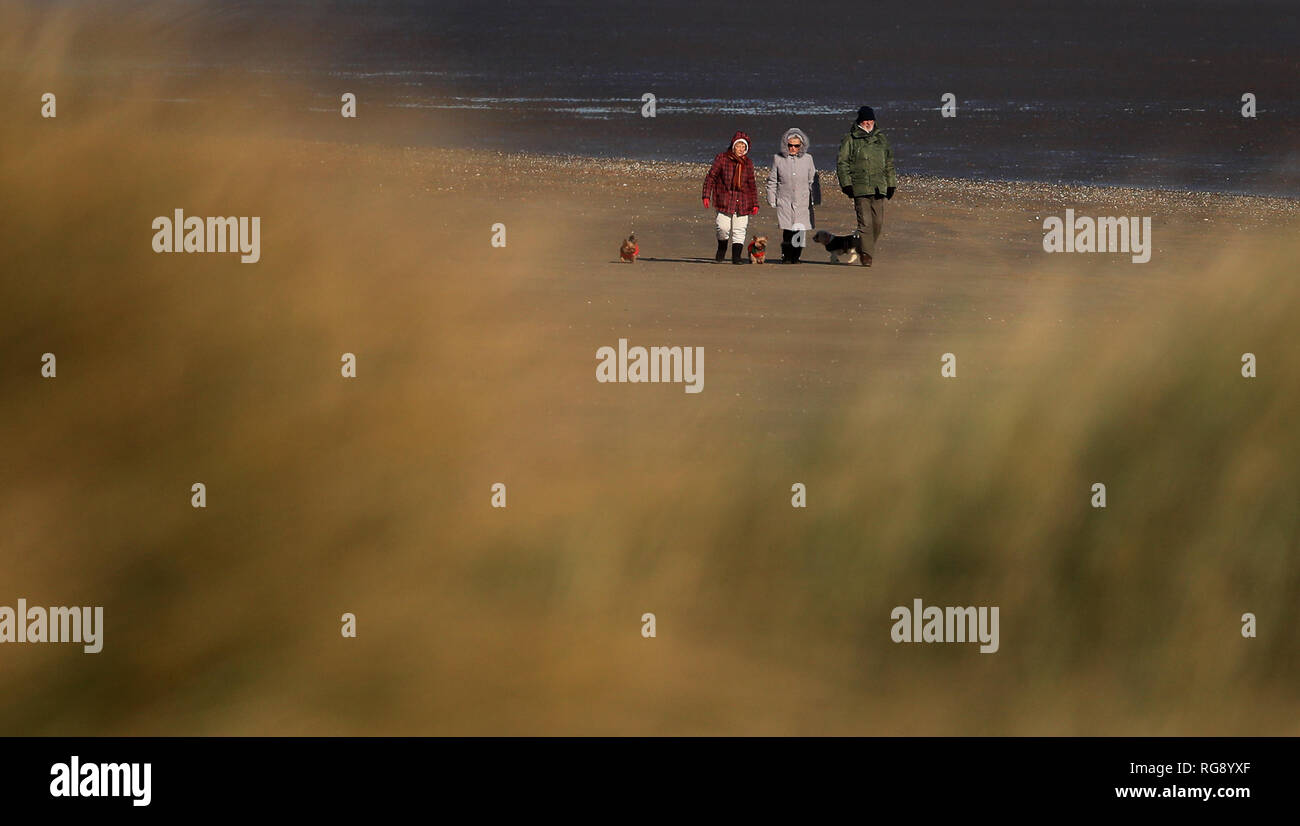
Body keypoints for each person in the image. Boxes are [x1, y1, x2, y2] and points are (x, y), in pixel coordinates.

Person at [836, 106, 897, 267]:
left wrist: (891, 184)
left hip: (879, 187)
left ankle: (864, 247)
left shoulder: (881, 139)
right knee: (865, 224)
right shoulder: (850, 139)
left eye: (871, 120)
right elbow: (842, 163)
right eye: (866, 120)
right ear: (860, 121)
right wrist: (846, 184)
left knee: (878, 223)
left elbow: (889, 163)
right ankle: (867, 254)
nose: (868, 123)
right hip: (860, 187)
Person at [702, 131, 760, 264]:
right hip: (724, 200)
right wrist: (706, 195)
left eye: (743, 147)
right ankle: (721, 248)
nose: (741, 149)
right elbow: (711, 177)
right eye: (738, 146)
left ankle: (736, 257)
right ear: (733, 146)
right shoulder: (722, 158)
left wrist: (755, 204)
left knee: (740, 230)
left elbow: (752, 184)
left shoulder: (748, 163)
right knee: (723, 228)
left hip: (743, 202)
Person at [766, 127, 820, 264]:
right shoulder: (778, 158)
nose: (793, 148)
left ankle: (796, 257)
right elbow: (772, 180)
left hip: (803, 200)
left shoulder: (808, 159)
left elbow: (813, 180)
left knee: (800, 229)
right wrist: (772, 199)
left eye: (796, 145)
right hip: (784, 199)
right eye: (790, 145)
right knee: (788, 229)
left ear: (802, 145)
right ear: (786, 144)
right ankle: (786, 256)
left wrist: (816, 198)